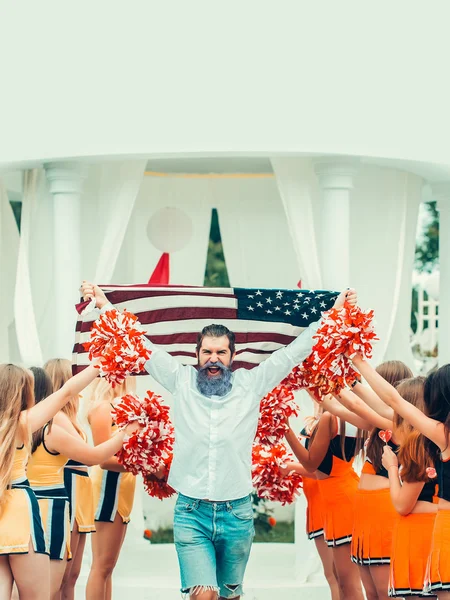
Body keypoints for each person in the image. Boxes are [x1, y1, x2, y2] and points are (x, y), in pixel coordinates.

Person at [80, 280, 358, 600]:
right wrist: (104, 304)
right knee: (204, 595)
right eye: (207, 352)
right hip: (191, 513)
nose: (214, 358)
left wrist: (334, 314)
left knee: (229, 596)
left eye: (220, 352)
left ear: (231, 355)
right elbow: (136, 342)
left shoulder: (252, 383)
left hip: (237, 513)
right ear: (197, 355)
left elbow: (294, 353)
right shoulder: (179, 379)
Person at [26, 367, 138, 600]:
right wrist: (130, 441)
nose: (79, 392)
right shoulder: (53, 422)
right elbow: (95, 457)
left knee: (71, 576)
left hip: (68, 498)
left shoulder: (47, 421)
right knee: (57, 580)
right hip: (57, 500)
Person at [350, 355, 449, 600]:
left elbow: (393, 402)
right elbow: (390, 406)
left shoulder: (440, 436)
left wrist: (357, 361)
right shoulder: (436, 435)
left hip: (438, 532)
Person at [0, 362, 98, 600]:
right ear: (25, 393)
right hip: (20, 513)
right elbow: (66, 392)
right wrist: (101, 363)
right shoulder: (22, 424)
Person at [328, 362, 412, 600]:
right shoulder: (375, 425)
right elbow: (343, 407)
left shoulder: (401, 425)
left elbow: (354, 404)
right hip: (365, 515)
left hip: (383, 515)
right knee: (372, 593)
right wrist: (318, 378)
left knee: (385, 593)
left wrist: (340, 374)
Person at [284, 410, 367, 599]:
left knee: (348, 582)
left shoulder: (333, 418)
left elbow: (311, 464)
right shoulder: (334, 417)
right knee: (340, 578)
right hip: (333, 498)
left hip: (341, 499)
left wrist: (286, 429)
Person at [380, 377, 437, 598]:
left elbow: (402, 504)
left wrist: (392, 468)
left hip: (421, 534)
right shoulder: (434, 440)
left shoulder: (419, 448)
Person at [44, 358, 96, 600]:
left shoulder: (70, 416)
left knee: (72, 574)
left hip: (81, 496)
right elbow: (88, 458)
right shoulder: (57, 417)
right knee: (64, 574)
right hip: (70, 492)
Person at [85, 377, 137, 600]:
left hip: (122, 489)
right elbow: (104, 459)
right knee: (101, 566)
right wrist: (143, 463)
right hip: (109, 488)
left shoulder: (122, 406)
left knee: (108, 567)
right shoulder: (103, 408)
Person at [280, 410, 341, 600]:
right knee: (332, 574)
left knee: (336, 575)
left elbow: (321, 468)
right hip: (316, 501)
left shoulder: (333, 421)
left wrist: (290, 467)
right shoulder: (318, 421)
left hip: (327, 501)